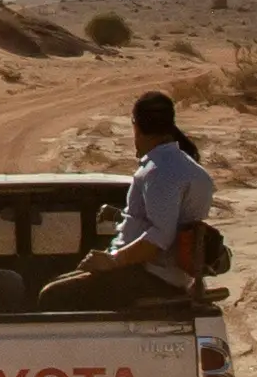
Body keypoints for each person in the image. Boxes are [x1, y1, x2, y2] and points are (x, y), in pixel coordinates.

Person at [39, 89, 221, 308]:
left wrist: (113, 260)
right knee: (59, 285)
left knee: (51, 296)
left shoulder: (159, 171)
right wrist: (120, 217)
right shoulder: (194, 171)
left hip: (147, 277)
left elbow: (161, 236)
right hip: (171, 277)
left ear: (136, 125)